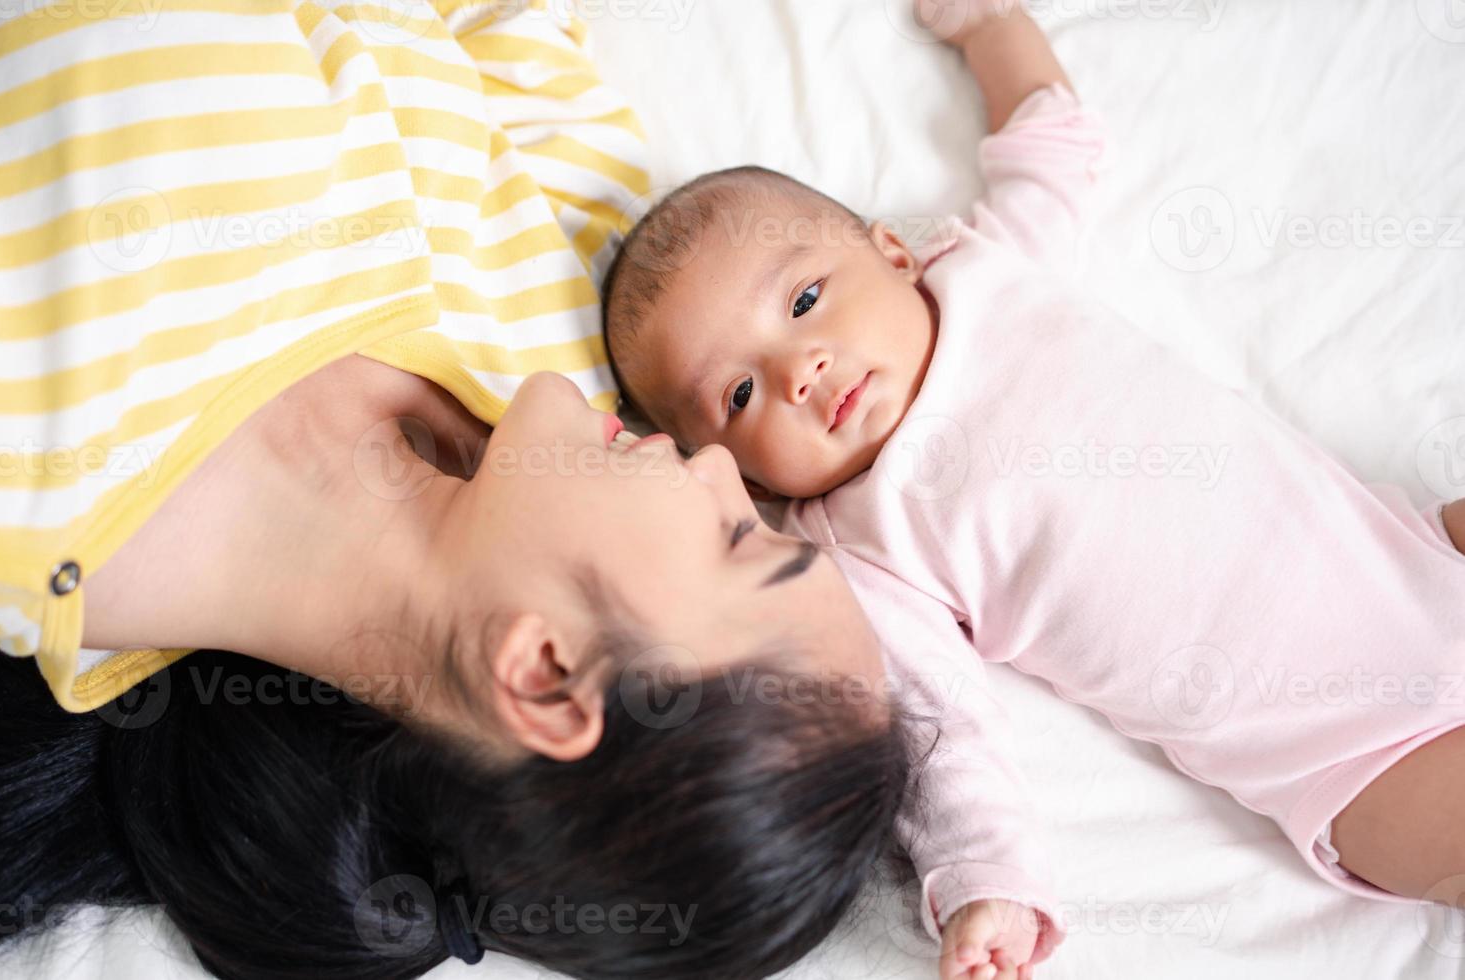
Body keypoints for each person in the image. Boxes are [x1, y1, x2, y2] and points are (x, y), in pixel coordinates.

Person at [0, 3, 911, 978]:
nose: (723, 467)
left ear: (547, 670)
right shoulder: (580, 342)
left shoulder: (29, 489)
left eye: (737, 540)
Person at [600, 2, 1465, 978]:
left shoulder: (985, 270)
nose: (801, 366)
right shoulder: (862, 542)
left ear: (893, 253)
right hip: (1349, 748)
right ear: (737, 468)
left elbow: (1053, 143)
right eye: (742, 389)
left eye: (804, 300)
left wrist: (992, 30)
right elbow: (940, 733)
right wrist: (985, 883)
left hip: (1413, 551)